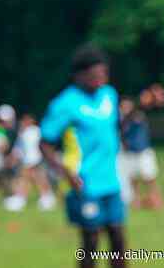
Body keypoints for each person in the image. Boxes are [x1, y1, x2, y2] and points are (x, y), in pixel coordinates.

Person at [40, 45, 126, 268]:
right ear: (79, 75)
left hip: (111, 180)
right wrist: (63, 171)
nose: (101, 79)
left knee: (118, 238)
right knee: (91, 240)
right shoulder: (65, 103)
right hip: (83, 181)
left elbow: (114, 128)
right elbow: (45, 143)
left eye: (104, 74)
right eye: (95, 75)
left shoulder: (109, 95)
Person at [119, 86, 164, 210]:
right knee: (132, 179)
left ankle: (155, 200)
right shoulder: (120, 119)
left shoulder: (137, 113)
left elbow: (142, 106)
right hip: (128, 153)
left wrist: (150, 97)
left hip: (142, 151)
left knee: (149, 178)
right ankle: (137, 201)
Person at [3, 114, 55, 211]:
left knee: (39, 179)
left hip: (36, 159)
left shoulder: (36, 131)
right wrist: (12, 158)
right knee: (25, 179)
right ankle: (21, 198)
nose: (23, 122)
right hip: (26, 160)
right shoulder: (22, 132)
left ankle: (46, 198)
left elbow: (43, 145)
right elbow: (18, 147)